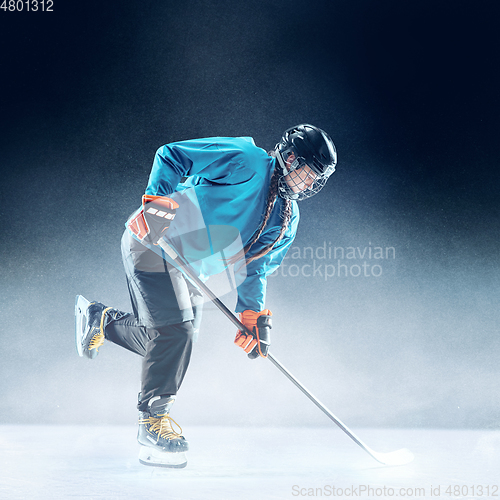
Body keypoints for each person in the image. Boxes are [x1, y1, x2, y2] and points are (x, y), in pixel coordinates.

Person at [75, 124, 337, 468]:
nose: (310, 184)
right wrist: (155, 204)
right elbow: (173, 155)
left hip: (190, 270)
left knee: (171, 342)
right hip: (154, 243)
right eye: (308, 173)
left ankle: (101, 321)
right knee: (175, 335)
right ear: (290, 158)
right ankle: (151, 426)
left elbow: (254, 266)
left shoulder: (287, 220)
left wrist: (251, 315)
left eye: (317, 179)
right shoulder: (247, 159)